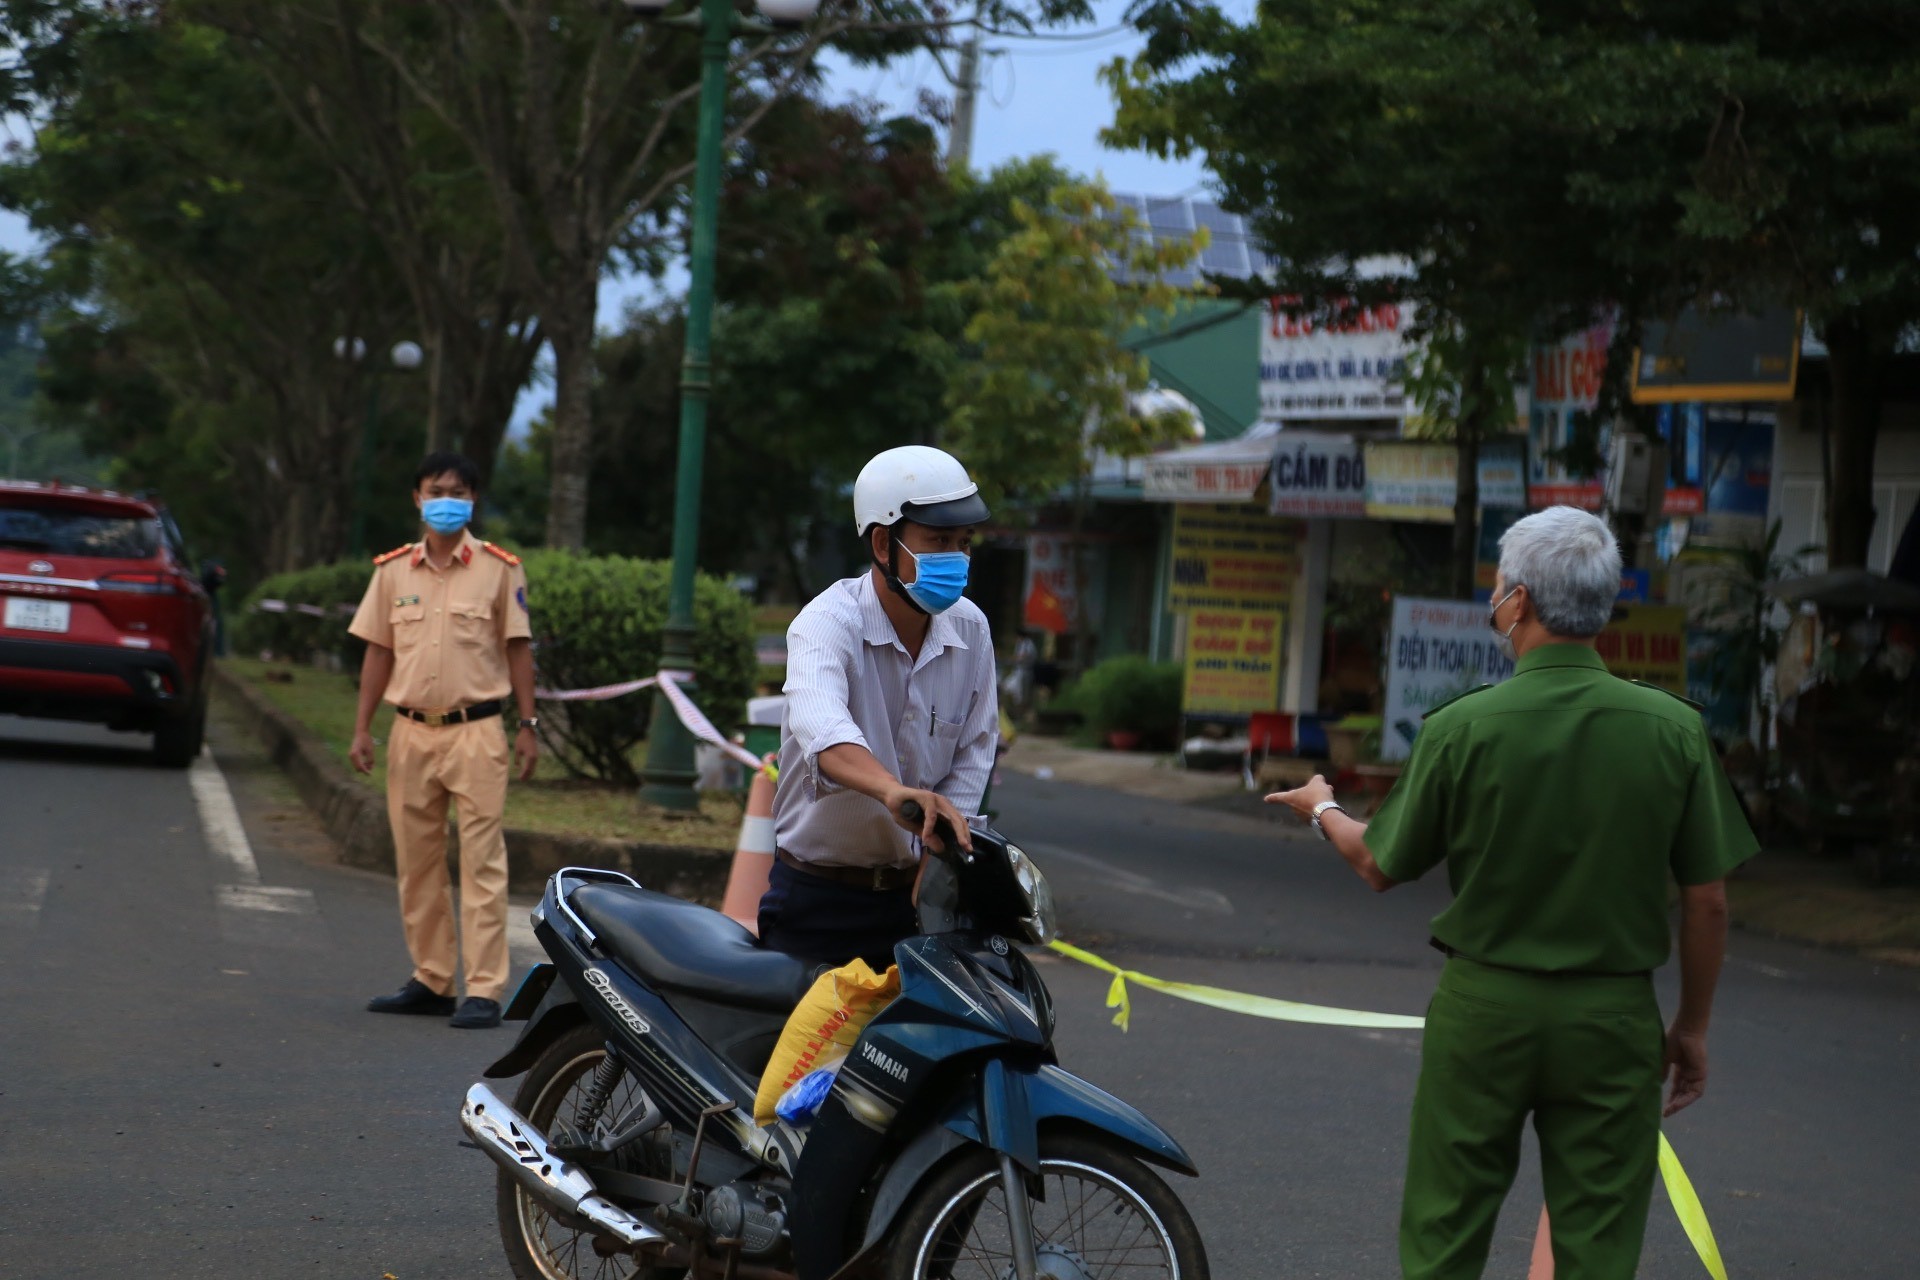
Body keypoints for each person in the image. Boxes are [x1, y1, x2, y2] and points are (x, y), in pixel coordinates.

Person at [1269, 506, 1755, 1280]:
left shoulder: (1464, 727)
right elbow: (1708, 901)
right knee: (1595, 1245)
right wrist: (1691, 1027)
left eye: (1499, 589)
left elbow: (1377, 864)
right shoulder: (1674, 730)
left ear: (1519, 602)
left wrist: (1321, 806)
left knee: (1445, 1234)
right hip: (1612, 1018)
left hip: (1484, 1011)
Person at [760, 445, 999, 971]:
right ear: (883, 543)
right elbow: (821, 728)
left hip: (917, 901)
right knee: (795, 1054)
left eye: (963, 543)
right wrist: (892, 790)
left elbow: (974, 754)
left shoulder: (972, 629)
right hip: (818, 900)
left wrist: (942, 858)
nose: (956, 559)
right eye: (938, 541)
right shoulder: (825, 623)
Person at [347, 452, 539, 1030]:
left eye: (457, 490)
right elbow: (378, 651)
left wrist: (528, 726)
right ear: (417, 498)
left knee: (482, 860)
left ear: (473, 499)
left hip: (477, 731)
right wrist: (362, 728)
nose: (446, 498)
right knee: (417, 860)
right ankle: (432, 978)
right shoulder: (392, 573)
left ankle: (483, 989)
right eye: (436, 489)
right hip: (408, 731)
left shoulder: (500, 570)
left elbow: (518, 648)